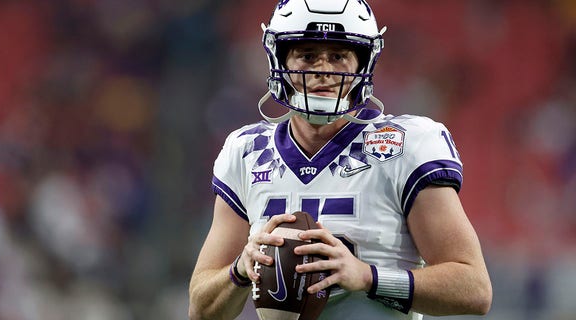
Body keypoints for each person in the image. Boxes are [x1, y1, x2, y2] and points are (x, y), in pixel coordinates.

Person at [188, 0, 492, 319]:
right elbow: (201, 309)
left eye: (338, 56)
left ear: (362, 63)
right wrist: (239, 270)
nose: (324, 70)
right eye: (307, 55)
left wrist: (366, 277)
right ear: (278, 59)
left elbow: (474, 289)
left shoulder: (406, 144)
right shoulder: (247, 151)